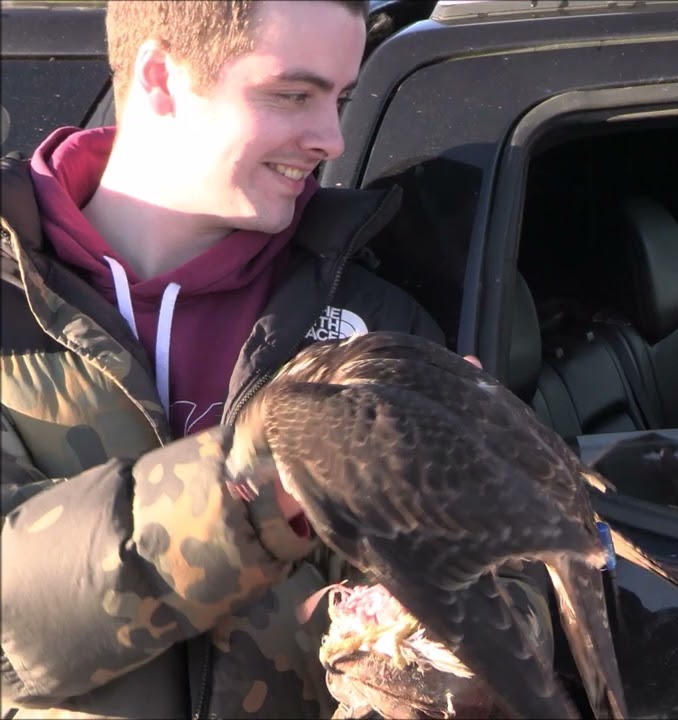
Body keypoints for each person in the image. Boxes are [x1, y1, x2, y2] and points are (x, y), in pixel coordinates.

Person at [0, 2, 547, 717]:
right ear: (162, 78)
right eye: (294, 94)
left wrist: (422, 654)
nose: (331, 137)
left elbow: (511, 601)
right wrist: (278, 475)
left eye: (341, 98)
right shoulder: (14, 312)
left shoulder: (369, 322)